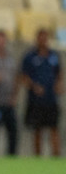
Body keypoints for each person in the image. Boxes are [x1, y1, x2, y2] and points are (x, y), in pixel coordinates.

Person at [20, 28, 62, 157]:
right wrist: (34, 86)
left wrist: (59, 85)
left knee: (54, 128)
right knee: (37, 129)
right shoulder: (30, 57)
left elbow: (59, 74)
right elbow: (23, 76)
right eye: (41, 37)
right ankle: (38, 156)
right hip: (36, 100)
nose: (43, 40)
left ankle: (56, 155)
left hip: (51, 99)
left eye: (45, 38)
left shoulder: (54, 56)